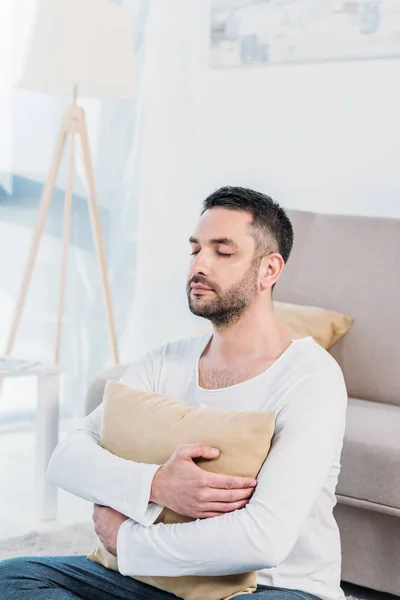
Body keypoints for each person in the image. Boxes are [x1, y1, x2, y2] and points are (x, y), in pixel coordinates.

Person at [0, 186, 348, 600]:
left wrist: (127, 542)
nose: (199, 264)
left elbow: (263, 538)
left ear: (268, 270)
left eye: (222, 251)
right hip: (154, 581)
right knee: (15, 577)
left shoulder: (311, 378)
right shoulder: (165, 360)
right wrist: (156, 485)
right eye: (196, 248)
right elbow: (67, 459)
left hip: (272, 589)